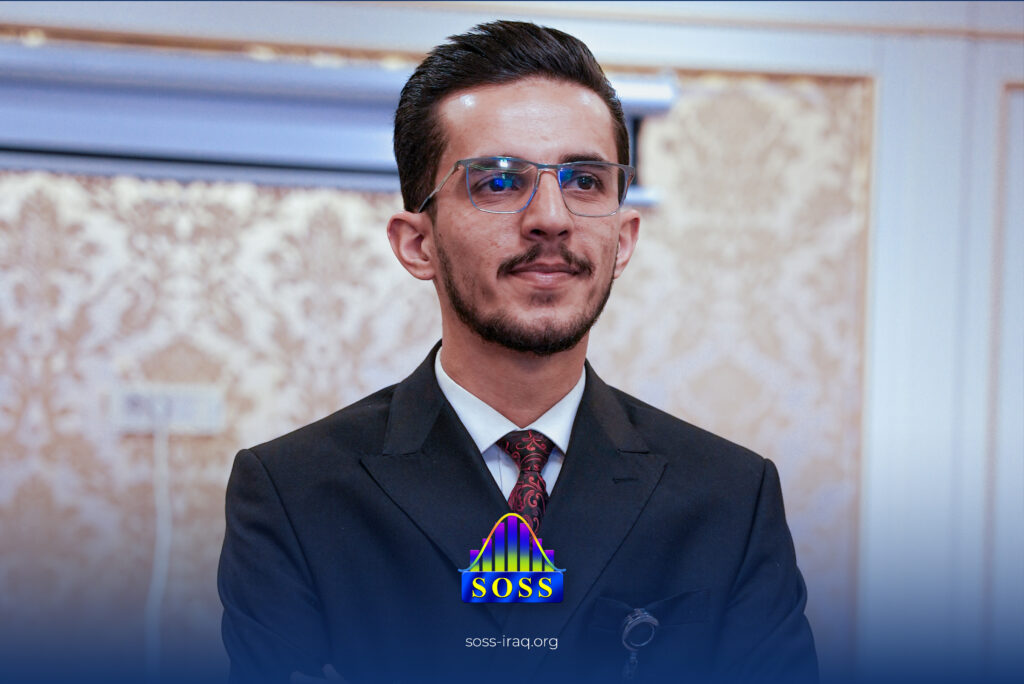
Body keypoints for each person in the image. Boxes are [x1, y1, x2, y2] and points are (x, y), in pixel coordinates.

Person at [218, 20, 817, 684]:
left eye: (584, 180)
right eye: (499, 182)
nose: (551, 218)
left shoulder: (731, 497)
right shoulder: (294, 492)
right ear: (417, 244)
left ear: (622, 241)